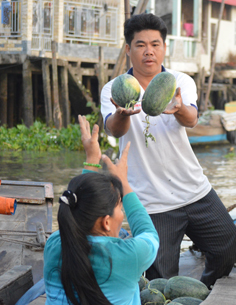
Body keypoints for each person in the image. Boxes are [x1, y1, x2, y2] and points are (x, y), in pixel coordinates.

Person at [100, 13, 236, 288]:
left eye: (155, 44)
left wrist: (178, 108)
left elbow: (192, 119)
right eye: (140, 45)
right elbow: (114, 130)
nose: (148, 51)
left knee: (227, 246)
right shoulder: (114, 89)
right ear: (128, 50)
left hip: (193, 189)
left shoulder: (179, 82)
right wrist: (123, 113)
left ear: (164, 47)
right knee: (161, 279)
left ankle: (202, 290)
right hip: (150, 201)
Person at [44, 115, 160, 305]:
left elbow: (79, 200)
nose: (122, 214)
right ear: (106, 222)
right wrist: (124, 182)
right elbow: (149, 233)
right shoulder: (129, 255)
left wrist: (91, 159)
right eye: (120, 208)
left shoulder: (55, 244)